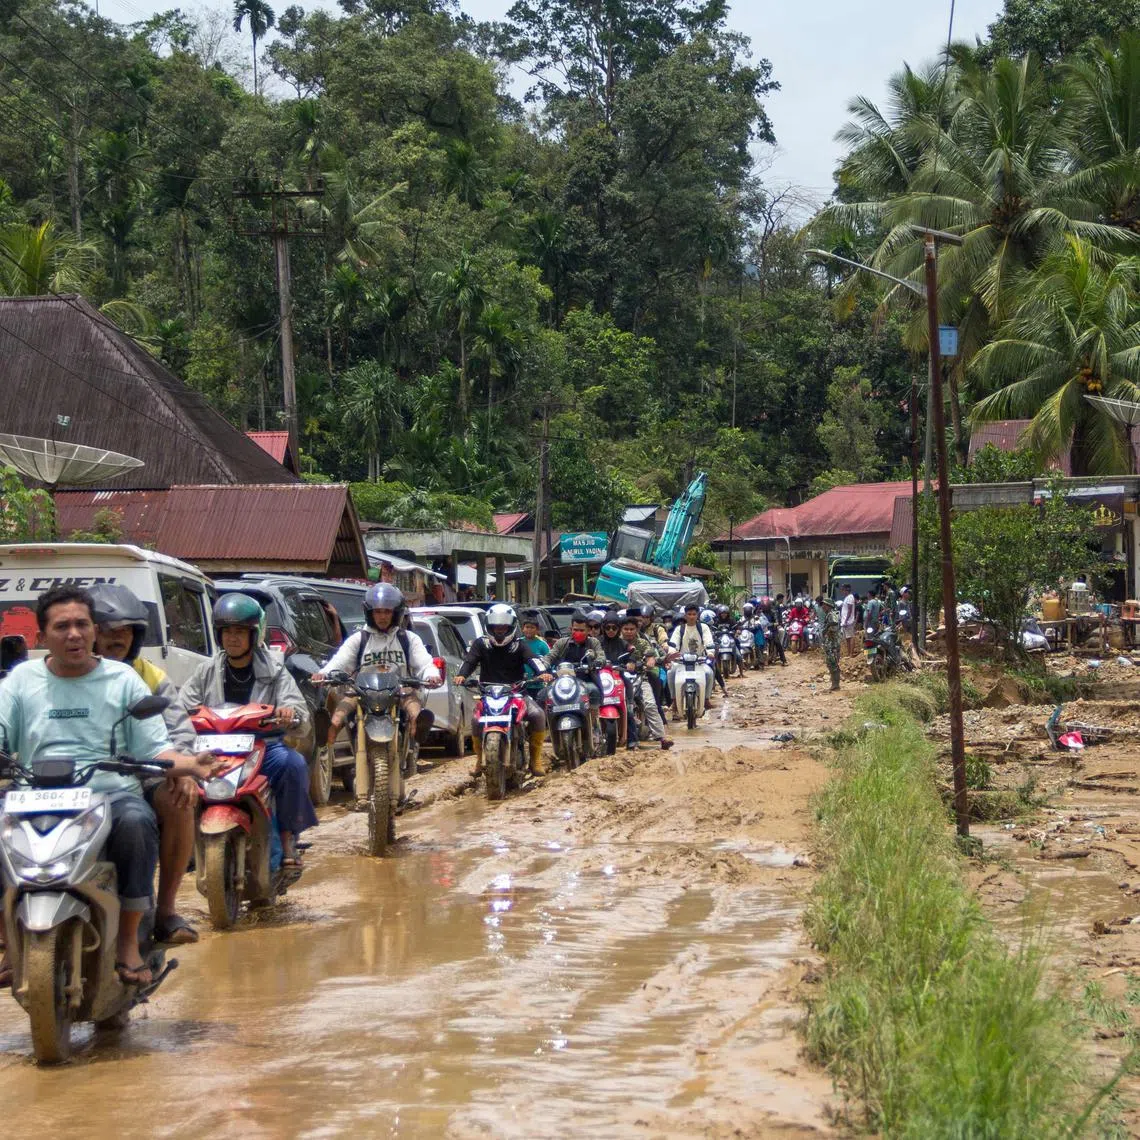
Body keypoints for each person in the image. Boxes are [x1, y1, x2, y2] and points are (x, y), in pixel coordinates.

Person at [0, 586, 223, 987]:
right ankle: (7, 941)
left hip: (108, 792)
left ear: (92, 631)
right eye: (62, 626)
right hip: (30, 794)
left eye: (82, 624)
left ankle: (128, 939)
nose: (74, 634)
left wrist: (191, 764)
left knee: (137, 821)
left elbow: (156, 748)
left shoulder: (124, 679)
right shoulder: (19, 681)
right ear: (41, 636)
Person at [89, 583, 201, 946]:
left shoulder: (149, 676)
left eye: (125, 631)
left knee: (181, 798)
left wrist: (183, 770)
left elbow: (179, 731)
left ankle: (166, 911)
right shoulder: (56, 673)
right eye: (107, 630)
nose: (115, 638)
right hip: (73, 779)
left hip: (141, 775)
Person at [180, 594, 317, 874]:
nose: (233, 638)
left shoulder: (275, 670)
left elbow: (298, 710)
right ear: (219, 635)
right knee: (175, 777)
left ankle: (288, 838)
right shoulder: (206, 671)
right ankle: (184, 844)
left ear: (255, 635)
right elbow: (181, 705)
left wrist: (289, 713)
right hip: (213, 750)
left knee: (293, 765)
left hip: (262, 748)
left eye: (240, 632)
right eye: (227, 631)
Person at [313, 583, 442, 810]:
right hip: (363, 691)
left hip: (398, 690)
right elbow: (339, 662)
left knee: (413, 702)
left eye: (387, 612)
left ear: (396, 613)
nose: (382, 617)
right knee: (341, 708)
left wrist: (431, 674)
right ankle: (328, 734)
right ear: (369, 613)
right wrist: (324, 674)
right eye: (378, 612)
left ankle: (416, 726)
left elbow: (424, 662)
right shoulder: (359, 639)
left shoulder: (408, 638)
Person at [455, 604, 552, 776]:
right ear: (489, 627)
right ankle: (479, 760)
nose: (500, 631)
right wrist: (462, 675)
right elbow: (469, 661)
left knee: (538, 715)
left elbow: (533, 660)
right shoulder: (481, 644)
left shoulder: (519, 646)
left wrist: (543, 673)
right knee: (476, 722)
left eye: (503, 627)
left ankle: (535, 761)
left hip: (516, 693)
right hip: (487, 694)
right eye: (496, 627)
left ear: (511, 626)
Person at [617, 614, 673, 750]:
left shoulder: (642, 642)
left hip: (640, 678)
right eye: (626, 629)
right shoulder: (616, 642)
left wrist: (650, 661)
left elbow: (650, 655)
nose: (629, 632)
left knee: (650, 704)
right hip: (617, 679)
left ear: (637, 629)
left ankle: (662, 737)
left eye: (632, 629)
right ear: (621, 630)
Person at [546, 609, 604, 738]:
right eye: (575, 629)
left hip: (586, 681)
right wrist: (542, 667)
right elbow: (550, 656)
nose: (577, 633)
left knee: (594, 690)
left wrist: (597, 662)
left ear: (588, 630)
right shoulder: (562, 643)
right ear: (570, 628)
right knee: (543, 695)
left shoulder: (593, 643)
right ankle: (551, 728)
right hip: (562, 683)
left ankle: (594, 724)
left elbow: (601, 656)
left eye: (581, 630)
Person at [667, 602, 716, 711]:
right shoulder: (679, 629)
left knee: (709, 673)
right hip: (681, 662)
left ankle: (706, 699)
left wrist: (710, 652)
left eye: (694, 614)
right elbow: (673, 643)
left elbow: (709, 642)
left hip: (700, 661)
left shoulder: (703, 628)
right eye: (689, 614)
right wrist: (672, 652)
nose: (692, 616)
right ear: (685, 615)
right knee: (670, 672)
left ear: (697, 615)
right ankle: (674, 700)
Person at [815, 594, 841, 691]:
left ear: (829, 606)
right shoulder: (829, 614)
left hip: (832, 644)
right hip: (830, 643)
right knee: (831, 663)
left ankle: (835, 684)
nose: (823, 607)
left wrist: (826, 628)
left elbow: (834, 623)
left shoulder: (831, 614)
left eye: (824, 605)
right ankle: (834, 683)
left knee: (833, 663)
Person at [839, 583, 857, 658]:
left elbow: (849, 610)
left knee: (851, 637)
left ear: (846, 590)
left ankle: (851, 654)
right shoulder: (847, 597)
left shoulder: (850, 597)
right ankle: (849, 653)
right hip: (845, 621)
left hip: (848, 621)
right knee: (847, 638)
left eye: (843, 589)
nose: (842, 591)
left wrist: (846, 620)